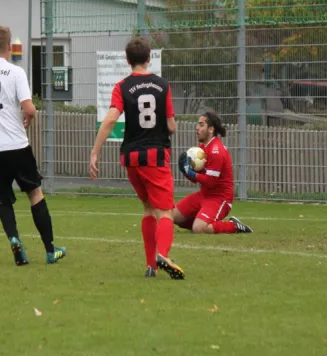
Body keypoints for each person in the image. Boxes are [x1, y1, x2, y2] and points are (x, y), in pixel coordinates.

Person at [0, 25, 66, 266]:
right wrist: (30, 116)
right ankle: (50, 250)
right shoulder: (16, 73)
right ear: (9, 47)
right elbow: (28, 108)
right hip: (16, 144)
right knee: (35, 193)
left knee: (4, 200)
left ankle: (15, 240)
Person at [90, 37, 184, 279]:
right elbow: (171, 126)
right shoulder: (162, 86)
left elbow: (111, 119)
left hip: (131, 157)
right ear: (149, 58)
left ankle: (150, 265)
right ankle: (162, 254)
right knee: (165, 212)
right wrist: (167, 126)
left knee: (147, 209)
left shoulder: (121, 87)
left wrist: (95, 151)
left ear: (127, 60)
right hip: (156, 155)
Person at [175, 111, 253, 234]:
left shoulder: (216, 151)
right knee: (172, 216)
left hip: (219, 198)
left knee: (198, 229)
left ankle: (234, 226)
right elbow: (198, 179)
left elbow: (210, 181)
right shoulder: (202, 148)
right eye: (197, 125)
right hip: (204, 194)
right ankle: (200, 224)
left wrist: (192, 173)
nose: (197, 128)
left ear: (210, 129)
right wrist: (186, 171)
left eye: (201, 125)